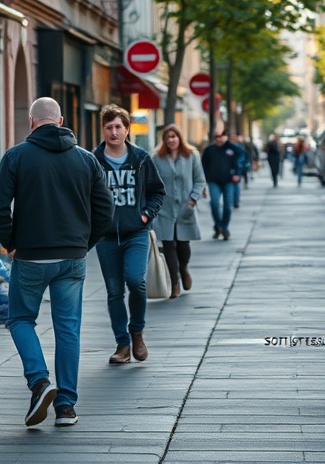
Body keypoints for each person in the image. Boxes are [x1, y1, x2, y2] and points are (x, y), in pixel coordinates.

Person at [0, 97, 113, 428]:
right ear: (60, 122)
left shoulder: (16, 157)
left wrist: (11, 243)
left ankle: (40, 381)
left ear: (32, 122)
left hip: (30, 256)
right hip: (72, 258)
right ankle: (67, 407)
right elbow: (106, 210)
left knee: (20, 319)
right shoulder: (86, 159)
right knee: (68, 329)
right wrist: (85, 244)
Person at [92, 105, 165, 365]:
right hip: (106, 237)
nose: (114, 132)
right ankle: (122, 344)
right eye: (109, 127)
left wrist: (145, 215)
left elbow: (158, 192)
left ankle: (137, 332)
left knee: (136, 281)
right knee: (113, 291)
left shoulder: (141, 159)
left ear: (127, 129)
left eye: (118, 127)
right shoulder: (93, 160)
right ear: (103, 129)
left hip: (136, 233)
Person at [150, 125, 207, 298]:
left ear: (180, 138)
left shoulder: (192, 156)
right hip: (165, 209)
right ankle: (174, 283)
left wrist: (193, 199)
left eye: (174, 137)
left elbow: (200, 180)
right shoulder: (157, 159)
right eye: (168, 138)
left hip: (185, 208)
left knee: (183, 244)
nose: (171, 140)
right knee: (168, 245)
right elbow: (153, 182)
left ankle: (184, 268)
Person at [200, 130, 240, 240]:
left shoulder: (230, 149)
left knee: (228, 206)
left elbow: (238, 157)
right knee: (214, 204)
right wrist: (204, 180)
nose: (219, 138)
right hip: (213, 181)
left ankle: (224, 227)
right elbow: (203, 165)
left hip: (228, 181)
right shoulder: (209, 150)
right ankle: (218, 225)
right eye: (217, 136)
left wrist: (237, 174)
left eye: (222, 136)